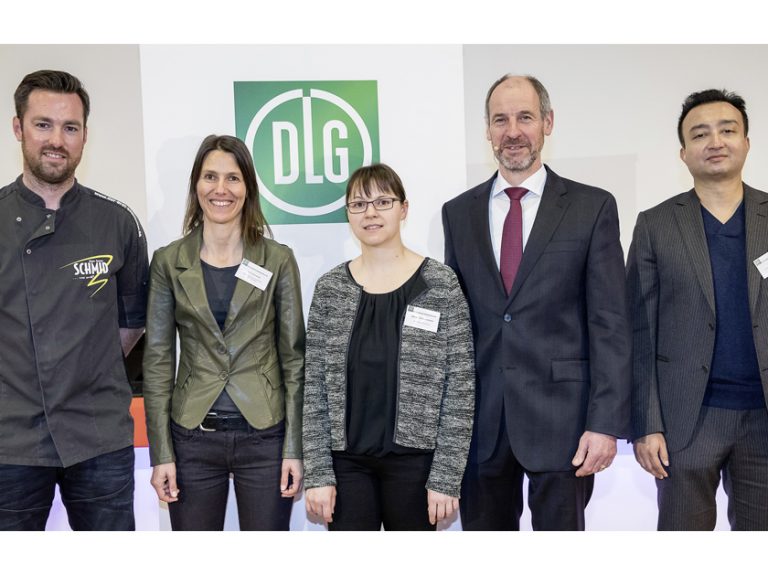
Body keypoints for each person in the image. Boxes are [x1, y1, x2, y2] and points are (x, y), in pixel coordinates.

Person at [442, 74, 631, 531]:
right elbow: (458, 325)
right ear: (487, 130)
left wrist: (604, 423)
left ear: (547, 122)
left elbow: (610, 323)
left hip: (565, 424)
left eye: (525, 117)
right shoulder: (458, 213)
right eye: (500, 120)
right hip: (482, 426)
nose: (512, 132)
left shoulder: (591, 207)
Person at [0, 70, 148, 531]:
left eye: (70, 127)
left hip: (98, 436)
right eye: (43, 124)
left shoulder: (117, 222)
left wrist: (85, 368)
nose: (56, 140)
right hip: (11, 442)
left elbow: (132, 323)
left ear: (85, 135)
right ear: (18, 128)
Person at [142, 134, 305, 530]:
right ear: (196, 185)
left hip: (265, 438)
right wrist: (162, 453)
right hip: (192, 440)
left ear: (247, 187)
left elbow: (295, 359)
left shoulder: (278, 259)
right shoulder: (168, 262)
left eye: (233, 178)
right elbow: (158, 361)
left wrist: (294, 448)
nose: (221, 189)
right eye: (210, 176)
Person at [302, 163, 475, 530]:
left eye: (383, 201)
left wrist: (446, 477)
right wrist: (318, 473)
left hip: (417, 465)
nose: (371, 213)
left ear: (403, 209)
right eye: (359, 204)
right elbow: (314, 388)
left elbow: (460, 386)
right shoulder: (330, 289)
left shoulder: (440, 284)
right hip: (346, 465)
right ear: (348, 214)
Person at [628, 89, 768, 530]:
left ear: (746, 142)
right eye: (700, 134)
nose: (715, 142)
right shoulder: (655, 225)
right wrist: (646, 423)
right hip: (686, 421)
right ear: (684, 152)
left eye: (728, 130)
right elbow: (639, 332)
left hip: (762, 418)